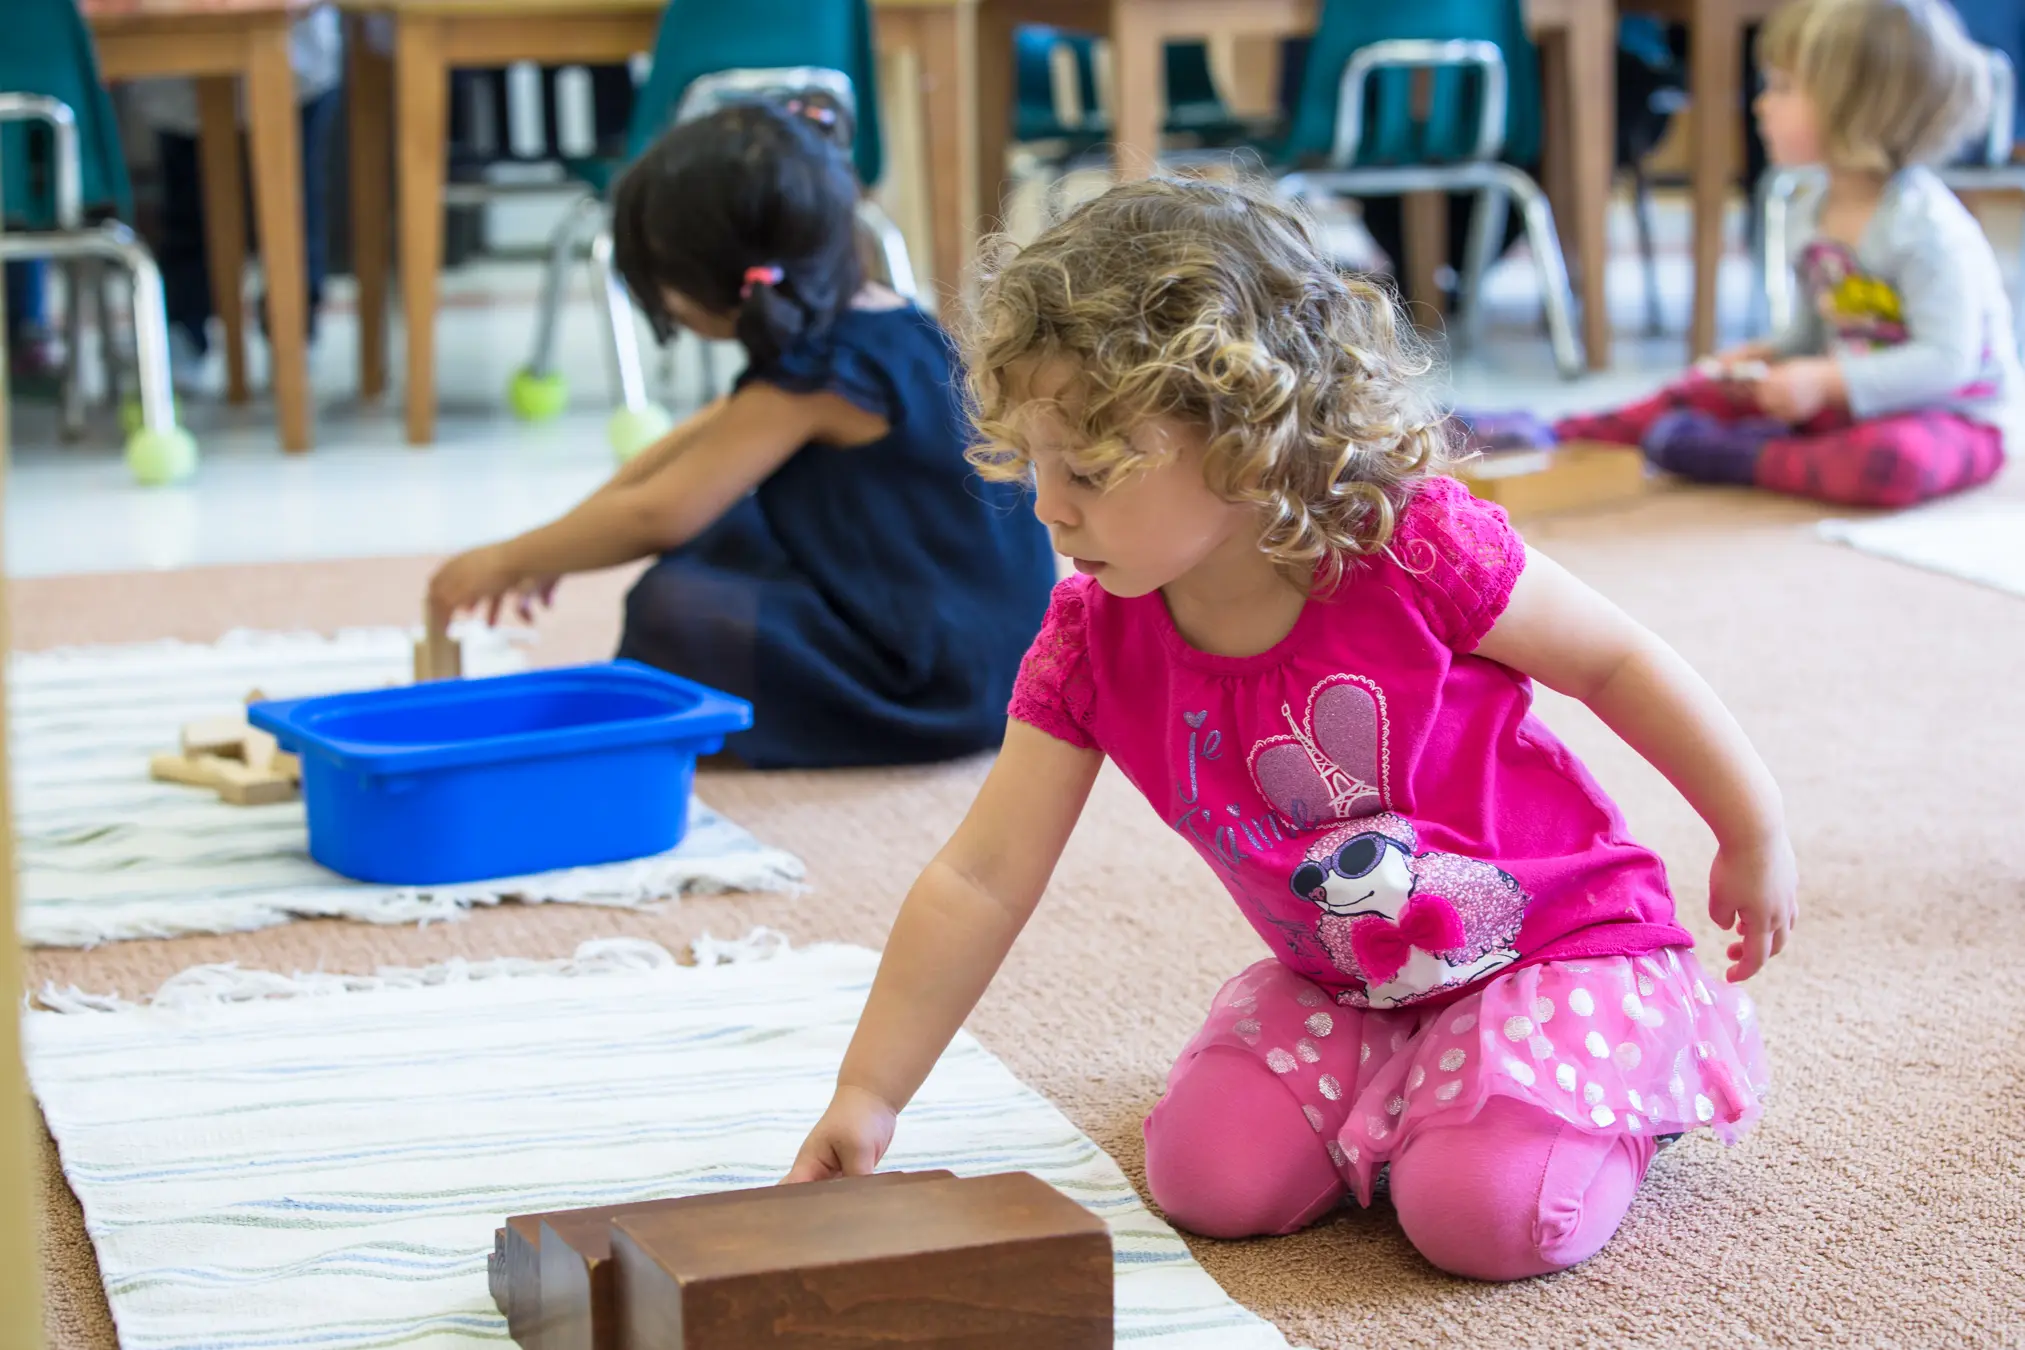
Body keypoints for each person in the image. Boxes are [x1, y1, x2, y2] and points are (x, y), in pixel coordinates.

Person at [784, 177, 1790, 1281]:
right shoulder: (1090, 640)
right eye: (1034, 461)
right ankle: (1428, 1079)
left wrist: (1753, 829)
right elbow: (982, 877)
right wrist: (869, 1093)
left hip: (1555, 946)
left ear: (1243, 436)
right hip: (1351, 984)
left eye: (1089, 468)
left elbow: (1616, 659)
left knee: (1482, 1220)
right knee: (1207, 1184)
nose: (1048, 506)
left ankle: (1609, 1091)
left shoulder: (1411, 544)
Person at [428, 98, 1056, 769]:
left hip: (940, 682)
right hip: (982, 644)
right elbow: (693, 448)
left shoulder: (819, 377)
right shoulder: (881, 317)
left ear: (717, 278)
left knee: (673, 606)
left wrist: (503, 560)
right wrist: (555, 543)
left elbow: (659, 512)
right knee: (731, 530)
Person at [1553, 0, 2013, 508]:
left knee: (1893, 464)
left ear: (1855, 106)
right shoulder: (1810, 209)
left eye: (1783, 88)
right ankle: (1563, 430)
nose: (1760, 104)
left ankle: (1744, 458)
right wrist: (1762, 358)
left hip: (1952, 416)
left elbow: (1948, 362)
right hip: (1852, 402)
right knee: (1708, 389)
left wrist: (1823, 381)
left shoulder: (1926, 230)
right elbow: (1813, 334)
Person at [124, 4, 343, 390]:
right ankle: (185, 328)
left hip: (290, 45)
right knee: (189, 201)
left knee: (292, 205)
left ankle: (292, 332)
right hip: (176, 49)